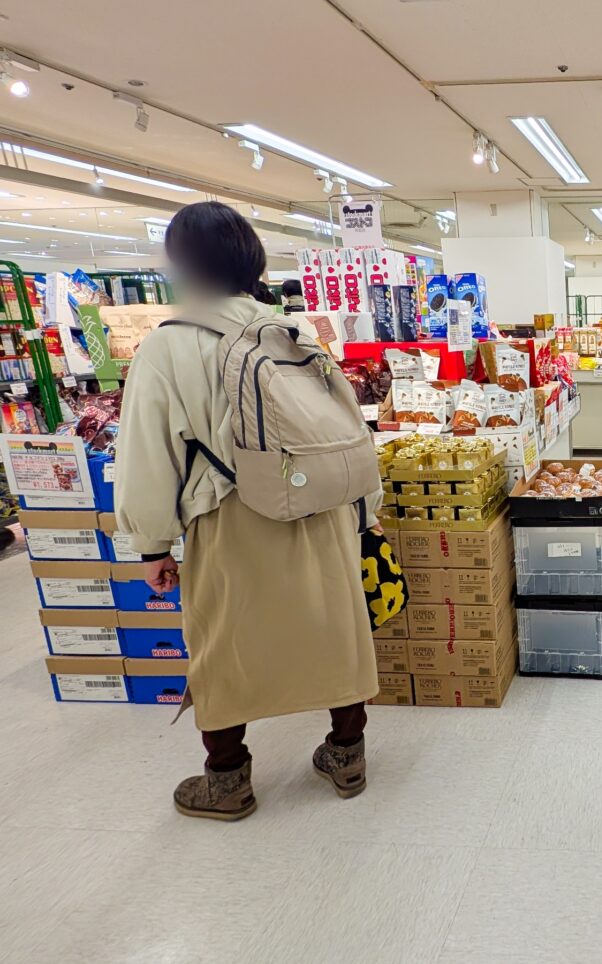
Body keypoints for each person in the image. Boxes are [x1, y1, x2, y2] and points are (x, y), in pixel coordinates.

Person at [115, 201, 380, 822]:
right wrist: (364, 513)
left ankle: (227, 779)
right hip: (321, 507)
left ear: (181, 264)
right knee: (335, 628)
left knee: (223, 642)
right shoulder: (296, 330)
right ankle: (348, 755)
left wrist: (152, 545)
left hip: (232, 515)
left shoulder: (171, 345)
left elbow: (148, 454)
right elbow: (342, 425)